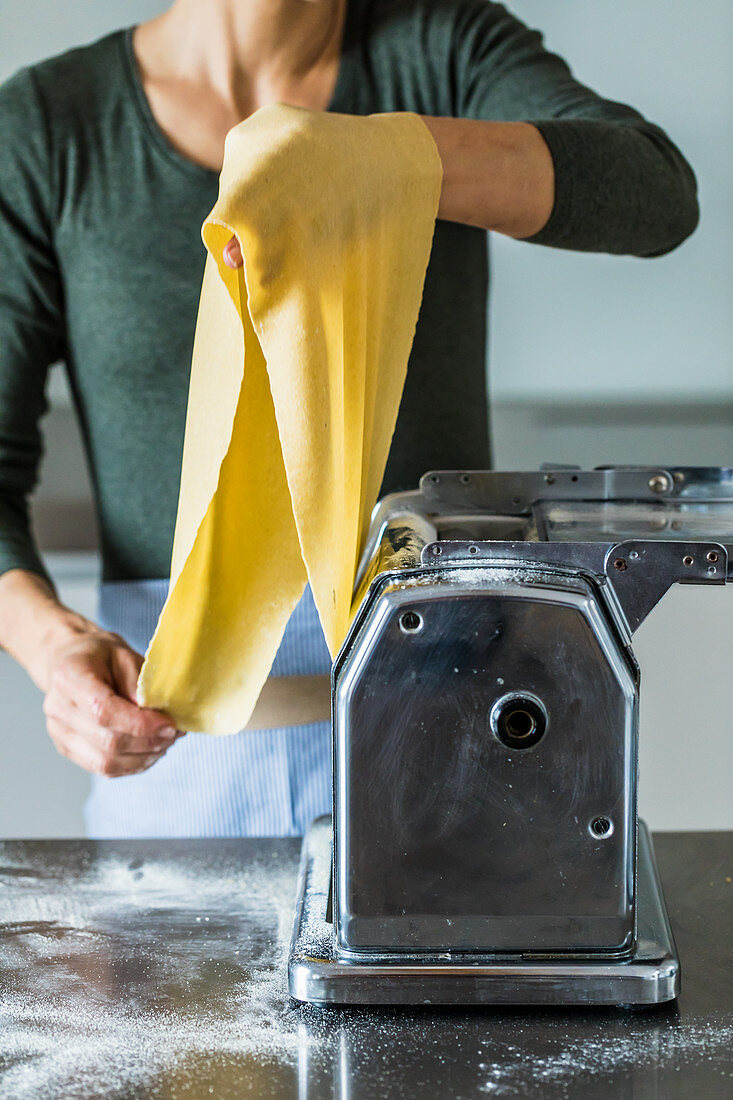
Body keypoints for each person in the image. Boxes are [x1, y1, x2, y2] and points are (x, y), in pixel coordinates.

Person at [0, 0, 698, 837]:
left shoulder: (441, 47)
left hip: (455, 738)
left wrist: (388, 160)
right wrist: (54, 649)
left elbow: (655, 192)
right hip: (181, 767)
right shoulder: (47, 128)